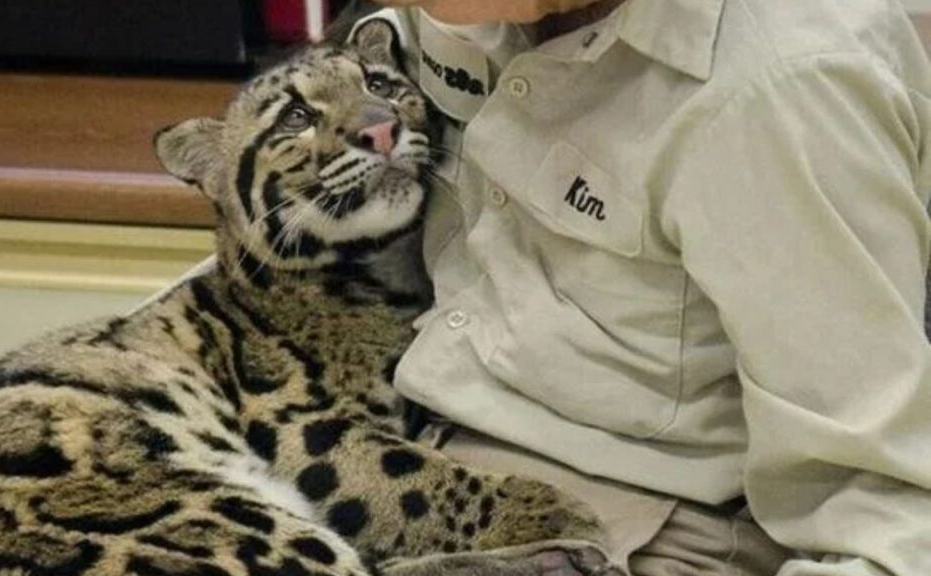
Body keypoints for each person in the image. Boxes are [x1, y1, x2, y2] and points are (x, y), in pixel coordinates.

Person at [351, 0, 931, 574]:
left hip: (639, 521)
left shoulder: (782, 88)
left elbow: (889, 517)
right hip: (416, 441)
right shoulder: (483, 15)